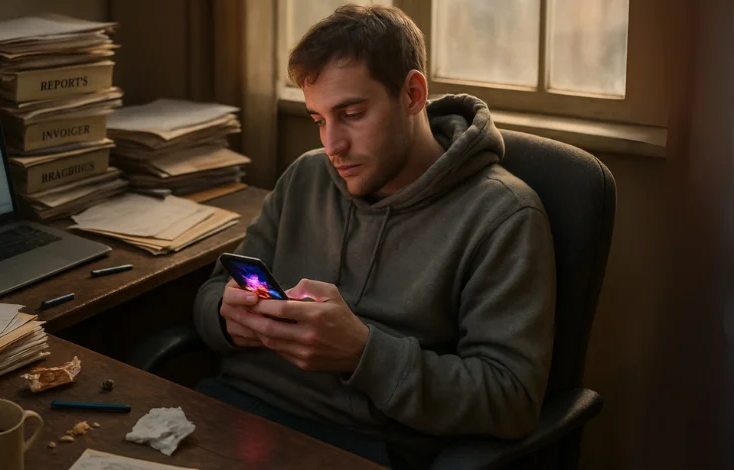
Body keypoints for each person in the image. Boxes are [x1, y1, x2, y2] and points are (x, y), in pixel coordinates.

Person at [193, 4, 556, 469]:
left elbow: (511, 399)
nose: (332, 145)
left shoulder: (503, 216)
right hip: (231, 413)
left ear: (412, 94)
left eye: (351, 113)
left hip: (358, 446)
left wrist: (364, 352)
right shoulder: (306, 176)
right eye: (319, 119)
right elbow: (210, 294)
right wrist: (227, 318)